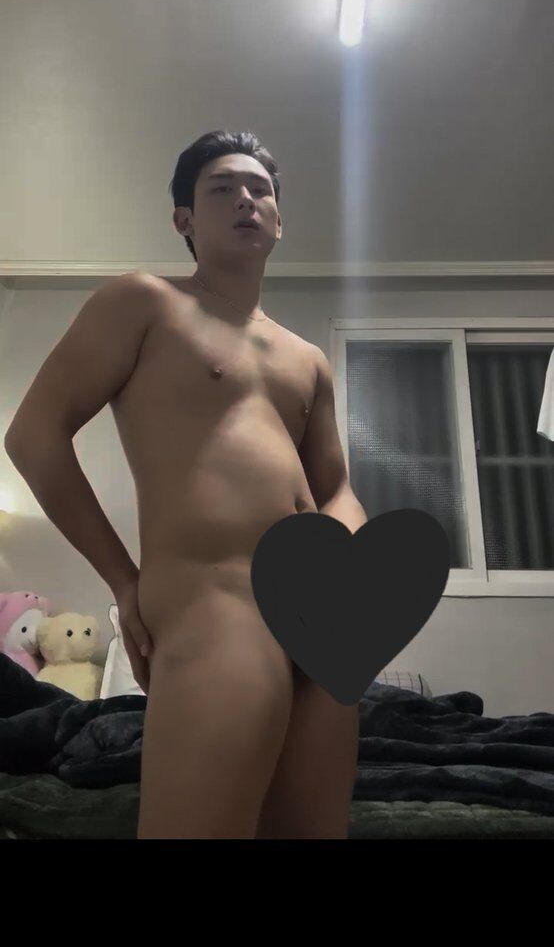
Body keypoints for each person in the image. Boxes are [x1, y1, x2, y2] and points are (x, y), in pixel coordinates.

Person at [4, 129, 368, 839]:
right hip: (219, 598)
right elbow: (33, 436)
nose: (245, 199)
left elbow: (338, 489)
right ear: (185, 220)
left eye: (260, 189)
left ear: (280, 219)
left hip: (324, 615)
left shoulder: (308, 359)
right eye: (222, 188)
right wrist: (123, 580)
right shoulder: (144, 302)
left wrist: (348, 556)